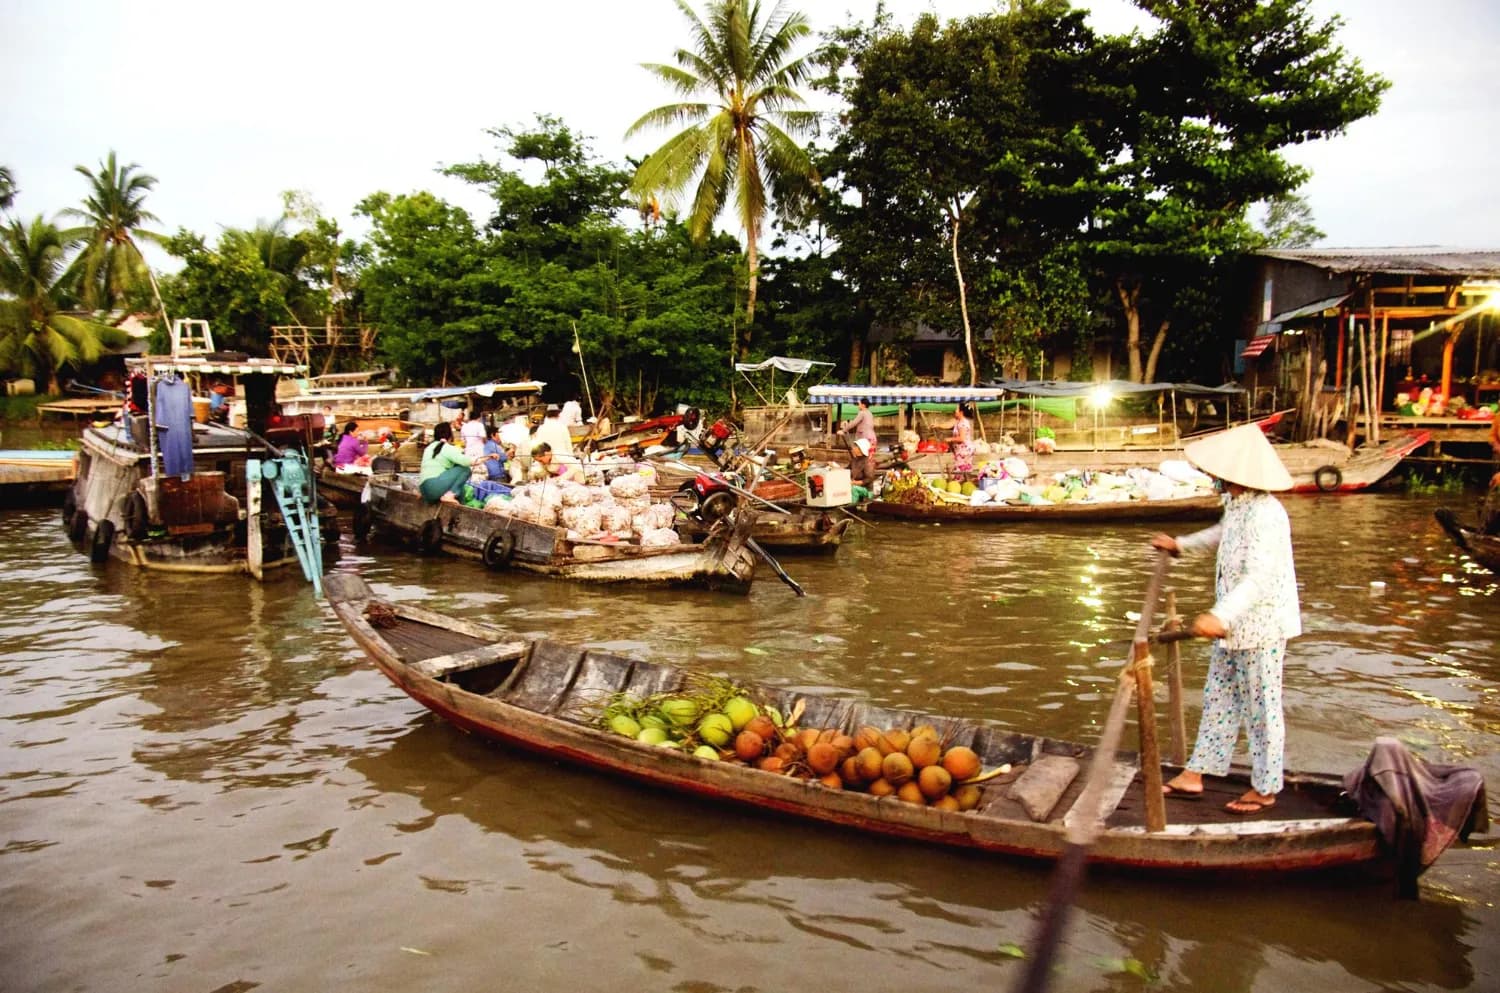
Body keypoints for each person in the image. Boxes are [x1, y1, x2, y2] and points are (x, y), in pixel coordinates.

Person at [1150, 422, 1300, 816]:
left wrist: (1220, 615)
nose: (1212, 477)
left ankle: (1266, 788)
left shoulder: (1266, 515)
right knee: (1219, 699)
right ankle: (1196, 772)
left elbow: (1258, 578)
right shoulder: (1239, 505)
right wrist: (1180, 545)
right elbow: (1222, 533)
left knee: (1262, 709)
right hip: (1232, 627)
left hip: (1260, 626)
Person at [419, 422, 496, 504]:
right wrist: (489, 457)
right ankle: (450, 495)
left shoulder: (428, 448)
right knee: (465, 469)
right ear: (449, 435)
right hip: (435, 487)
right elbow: (469, 462)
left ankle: (459, 502)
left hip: (424, 490)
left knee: (460, 488)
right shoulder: (446, 447)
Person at [950, 403, 975, 473]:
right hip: (961, 451)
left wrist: (950, 439)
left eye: (956, 409)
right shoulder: (959, 421)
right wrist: (938, 425)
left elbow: (962, 438)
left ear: (961, 412)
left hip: (964, 451)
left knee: (961, 472)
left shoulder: (962, 423)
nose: (955, 411)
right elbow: (949, 424)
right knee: (963, 471)